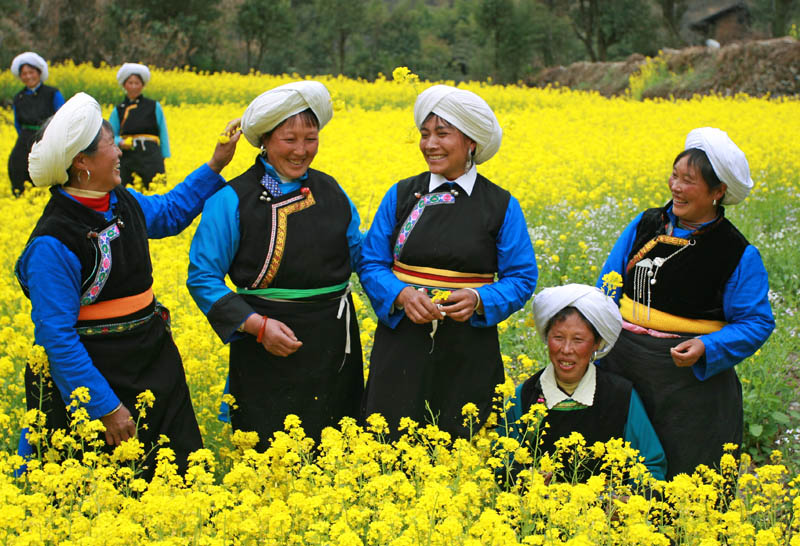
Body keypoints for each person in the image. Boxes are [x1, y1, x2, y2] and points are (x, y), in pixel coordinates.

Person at [16, 92, 241, 479]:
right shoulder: (52, 243)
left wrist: (216, 163)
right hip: (98, 377)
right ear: (82, 162)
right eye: (109, 144)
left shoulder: (120, 201)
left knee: (180, 477)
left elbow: (169, 213)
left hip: (151, 360)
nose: (120, 150)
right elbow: (58, 339)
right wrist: (105, 408)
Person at [187, 81, 364, 450]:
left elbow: (362, 256)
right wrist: (258, 327)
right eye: (290, 139)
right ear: (264, 140)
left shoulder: (332, 191)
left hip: (333, 342)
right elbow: (203, 278)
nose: (302, 151)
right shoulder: (232, 199)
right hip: (265, 344)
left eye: (311, 139)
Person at [359, 84, 538, 441]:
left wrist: (478, 299)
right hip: (402, 343)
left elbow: (521, 277)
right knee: (390, 441)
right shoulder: (401, 194)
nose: (430, 144)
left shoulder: (500, 205)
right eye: (425, 134)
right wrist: (401, 295)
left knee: (463, 439)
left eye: (442, 134)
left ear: (471, 141)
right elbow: (370, 261)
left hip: (468, 347)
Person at [596, 127, 775, 479]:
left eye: (688, 180)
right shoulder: (646, 223)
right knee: (619, 464)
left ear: (718, 191)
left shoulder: (737, 252)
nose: (675, 187)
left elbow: (757, 322)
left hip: (687, 378)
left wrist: (708, 346)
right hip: (623, 363)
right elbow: (609, 282)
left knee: (689, 468)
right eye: (674, 176)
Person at [502, 284, 666, 482]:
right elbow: (504, 460)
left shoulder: (620, 395)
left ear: (596, 343)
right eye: (558, 338)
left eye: (578, 340)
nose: (566, 349)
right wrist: (526, 479)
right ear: (547, 338)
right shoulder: (525, 395)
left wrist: (627, 501)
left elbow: (650, 465)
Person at [8, 52, 65, 196]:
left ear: (39, 73)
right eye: (24, 74)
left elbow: (62, 117)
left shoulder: (52, 93)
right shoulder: (19, 97)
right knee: (16, 166)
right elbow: (17, 124)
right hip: (25, 139)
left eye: (31, 72)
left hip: (48, 137)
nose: (28, 76)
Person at [108, 63, 170, 189]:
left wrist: (164, 156)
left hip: (151, 155)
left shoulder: (154, 106)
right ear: (124, 85)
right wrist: (120, 142)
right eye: (130, 83)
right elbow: (108, 135)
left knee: (155, 190)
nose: (134, 86)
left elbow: (163, 131)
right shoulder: (118, 110)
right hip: (127, 157)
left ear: (143, 85)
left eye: (137, 83)